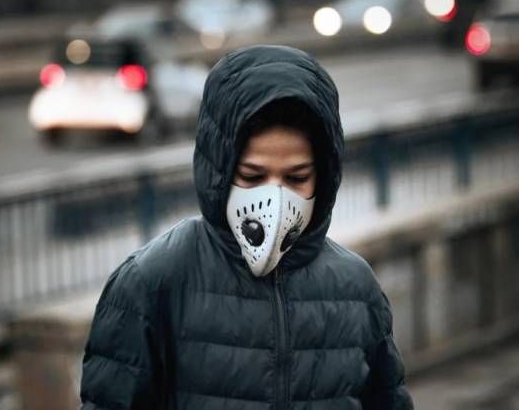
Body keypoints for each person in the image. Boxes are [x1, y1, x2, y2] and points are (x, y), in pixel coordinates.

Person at [79, 45, 413, 409]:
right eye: (253, 177)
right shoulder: (153, 281)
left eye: (297, 177)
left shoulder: (355, 286)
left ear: (324, 177)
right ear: (219, 169)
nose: (277, 198)